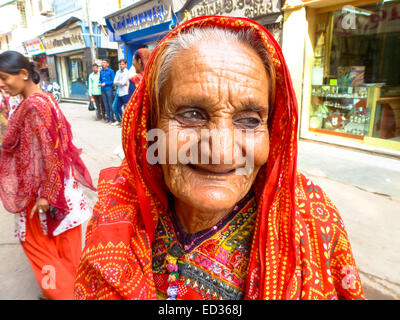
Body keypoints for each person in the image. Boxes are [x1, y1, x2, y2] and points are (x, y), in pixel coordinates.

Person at [74, 16, 364, 300]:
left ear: (273, 132)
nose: (221, 152)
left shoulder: (311, 224)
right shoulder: (118, 209)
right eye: (191, 115)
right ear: (149, 126)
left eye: (249, 120)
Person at [0, 51, 96, 300]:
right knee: (66, 251)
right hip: (62, 191)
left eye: (3, 77)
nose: (0, 84)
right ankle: (70, 290)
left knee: (38, 248)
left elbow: (49, 152)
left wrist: (47, 196)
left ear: (23, 74)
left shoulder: (33, 105)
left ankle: (61, 293)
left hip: (45, 194)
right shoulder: (44, 98)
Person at [112, 59, 130, 126]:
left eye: (123, 64)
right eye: (120, 64)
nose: (121, 65)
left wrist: (119, 81)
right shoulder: (118, 72)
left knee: (126, 109)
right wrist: (121, 82)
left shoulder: (127, 72)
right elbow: (114, 82)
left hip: (125, 93)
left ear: (125, 65)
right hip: (119, 93)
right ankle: (123, 121)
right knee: (117, 107)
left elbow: (122, 82)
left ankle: (126, 122)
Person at [99, 58, 115, 123]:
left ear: (108, 64)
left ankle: (111, 118)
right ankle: (108, 118)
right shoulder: (101, 71)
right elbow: (100, 79)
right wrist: (99, 83)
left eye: (105, 62)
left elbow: (113, 81)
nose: (103, 64)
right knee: (105, 104)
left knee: (110, 104)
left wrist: (106, 83)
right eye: (102, 62)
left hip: (109, 89)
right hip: (102, 90)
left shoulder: (111, 71)